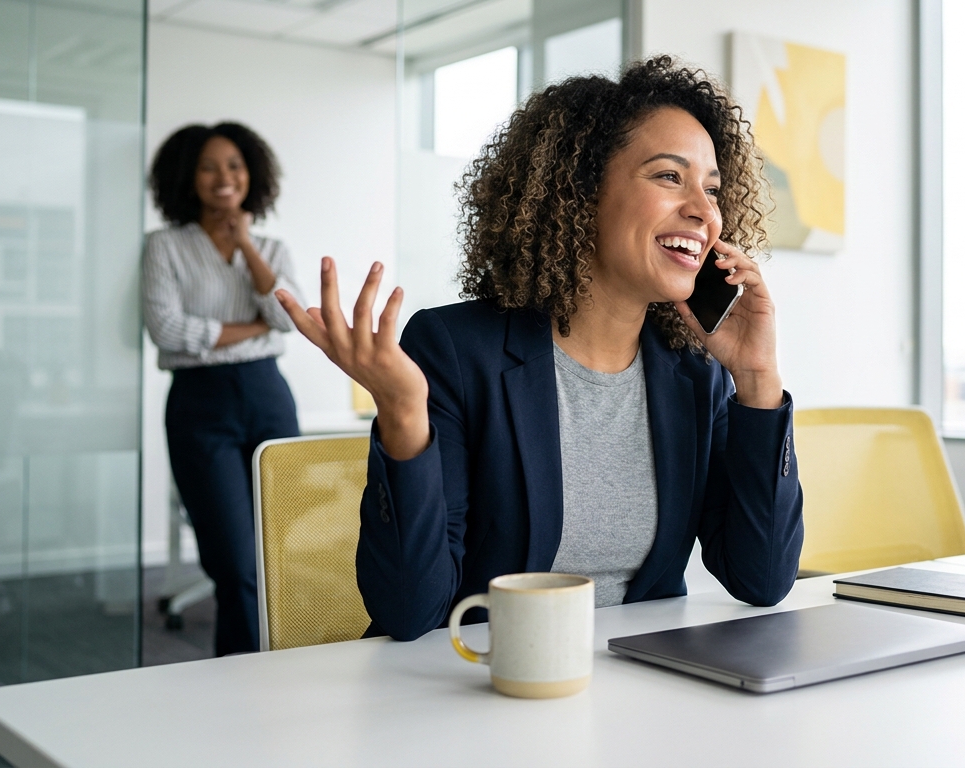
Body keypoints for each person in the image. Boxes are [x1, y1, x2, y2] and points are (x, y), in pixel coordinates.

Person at [277, 57, 804, 641]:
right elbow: (410, 612)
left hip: (637, 691)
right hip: (484, 688)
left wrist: (757, 378)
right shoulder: (455, 350)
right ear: (580, 189)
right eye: (668, 177)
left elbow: (762, 579)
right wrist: (403, 412)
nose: (706, 214)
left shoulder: (695, 373)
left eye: (711, 189)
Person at [143, 122, 302, 656]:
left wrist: (245, 246)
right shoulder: (164, 247)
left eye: (233, 165)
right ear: (188, 178)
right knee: (234, 562)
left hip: (267, 396)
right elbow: (167, 331)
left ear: (250, 174)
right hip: (200, 403)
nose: (223, 177)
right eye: (209, 166)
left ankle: (287, 667)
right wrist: (252, 329)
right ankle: (239, 681)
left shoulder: (272, 249)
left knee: (285, 549)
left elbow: (288, 317)